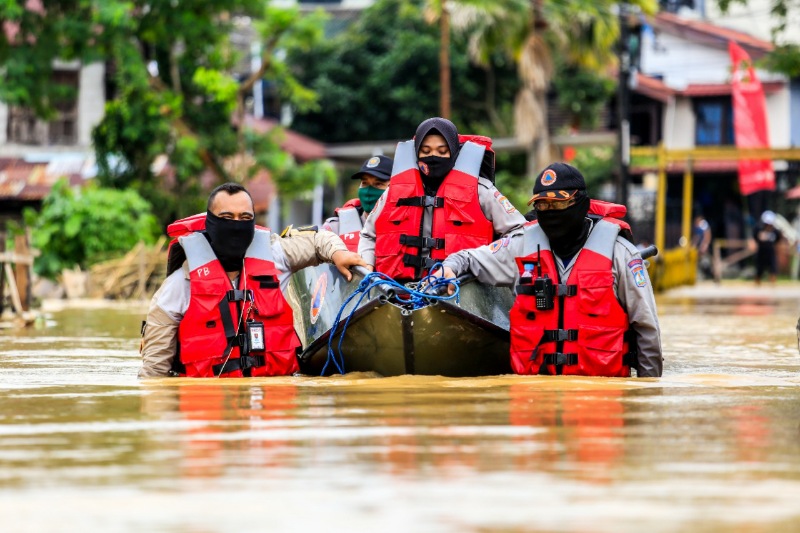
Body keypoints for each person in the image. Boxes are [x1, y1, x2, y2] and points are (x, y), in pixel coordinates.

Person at [432, 162, 663, 377]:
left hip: (599, 400)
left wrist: (647, 393)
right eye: (542, 205)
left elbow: (647, 329)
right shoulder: (521, 244)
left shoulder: (620, 253)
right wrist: (449, 268)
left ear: (579, 202)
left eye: (558, 203)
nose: (550, 212)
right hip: (534, 399)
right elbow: (470, 258)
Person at [139, 182, 366, 378]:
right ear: (210, 224)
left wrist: (338, 253)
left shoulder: (276, 256)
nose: (236, 225)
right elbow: (154, 373)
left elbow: (318, 241)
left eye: (245, 218)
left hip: (271, 405)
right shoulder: (179, 285)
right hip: (209, 413)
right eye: (227, 218)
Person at [359, 117, 525, 281]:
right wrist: (367, 265)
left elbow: (520, 233)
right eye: (425, 151)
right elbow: (368, 235)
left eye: (442, 151)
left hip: (464, 291)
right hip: (399, 291)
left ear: (453, 152)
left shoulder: (481, 190)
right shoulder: (394, 191)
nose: (433, 156)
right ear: (417, 153)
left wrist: (479, 259)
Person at [322, 155, 393, 252]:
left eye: (378, 184)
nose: (368, 191)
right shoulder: (336, 227)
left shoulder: (408, 225)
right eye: (364, 183)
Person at [754, 210, 780, 285]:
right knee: (759, 268)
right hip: (761, 251)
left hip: (771, 251)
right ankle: (757, 283)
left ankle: (773, 284)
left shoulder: (775, 231)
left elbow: (778, 239)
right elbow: (755, 238)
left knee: (773, 268)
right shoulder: (758, 229)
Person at [692, 214, 713, 280]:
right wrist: (693, 245)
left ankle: (711, 275)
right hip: (700, 247)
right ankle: (700, 275)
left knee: (706, 262)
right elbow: (697, 237)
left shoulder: (703, 224)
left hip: (704, 246)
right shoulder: (697, 227)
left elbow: (707, 235)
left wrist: (705, 245)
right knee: (699, 261)